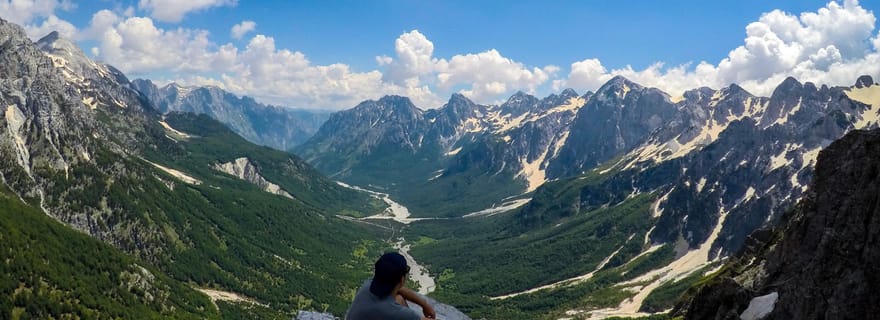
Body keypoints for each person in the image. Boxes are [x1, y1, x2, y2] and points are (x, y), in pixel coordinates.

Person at [346, 252, 437, 320]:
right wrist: (426, 307)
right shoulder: (396, 312)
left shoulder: (368, 285)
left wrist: (425, 305)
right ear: (402, 280)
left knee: (399, 298)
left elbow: (400, 290)